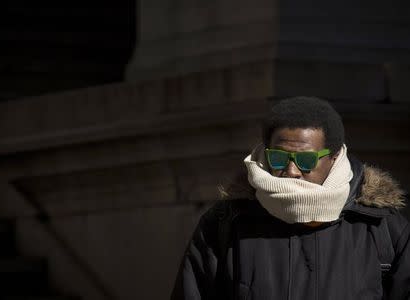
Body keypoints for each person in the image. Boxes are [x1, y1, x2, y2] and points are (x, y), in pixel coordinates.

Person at [170, 97, 410, 300]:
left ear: (335, 157)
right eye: (278, 158)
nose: (292, 171)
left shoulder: (383, 228)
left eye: (306, 161)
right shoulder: (223, 225)